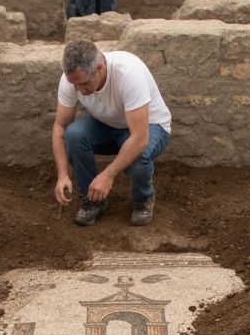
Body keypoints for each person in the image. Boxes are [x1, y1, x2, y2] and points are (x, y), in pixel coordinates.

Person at [52, 38, 171, 228]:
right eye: (74, 85)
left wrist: (107, 175)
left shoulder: (129, 73)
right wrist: (63, 175)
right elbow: (60, 127)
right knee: (74, 134)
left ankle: (143, 201)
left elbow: (140, 138)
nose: (79, 90)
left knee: (138, 158)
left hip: (150, 127)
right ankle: (93, 201)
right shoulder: (73, 80)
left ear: (100, 68)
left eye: (84, 84)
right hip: (109, 126)